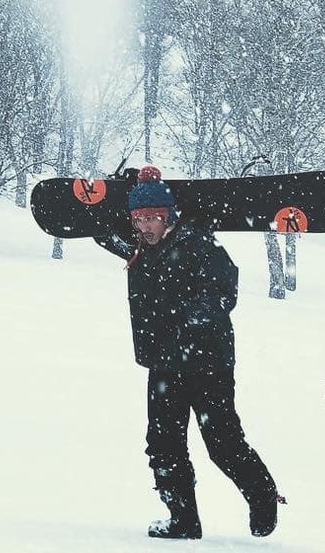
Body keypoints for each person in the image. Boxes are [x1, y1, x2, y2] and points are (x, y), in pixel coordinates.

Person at [94, 165, 283, 540]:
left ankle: (263, 496)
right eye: (139, 219)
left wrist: (186, 321)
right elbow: (99, 230)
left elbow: (225, 290)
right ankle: (183, 520)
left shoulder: (197, 241)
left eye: (153, 218)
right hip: (163, 364)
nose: (145, 226)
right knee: (162, 445)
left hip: (206, 362)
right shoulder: (138, 247)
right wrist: (120, 188)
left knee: (223, 444)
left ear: (168, 216)